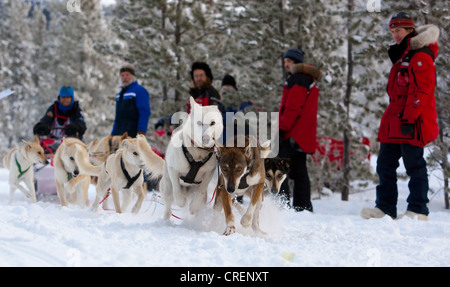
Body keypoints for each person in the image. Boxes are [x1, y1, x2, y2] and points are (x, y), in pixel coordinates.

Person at [361, 13, 439, 221]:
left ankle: (418, 209)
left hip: (412, 121)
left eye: (399, 31)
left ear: (410, 31)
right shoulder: (403, 55)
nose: (395, 35)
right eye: (392, 31)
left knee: (414, 165)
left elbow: (421, 91)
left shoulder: (420, 56)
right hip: (395, 121)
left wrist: (409, 118)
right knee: (385, 165)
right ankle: (385, 208)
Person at [278, 48, 322, 212]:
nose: (286, 64)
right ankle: (302, 206)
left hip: (293, 133)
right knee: (298, 170)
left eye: (289, 61)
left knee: (279, 167)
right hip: (302, 135)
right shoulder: (307, 79)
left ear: (297, 62)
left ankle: (281, 205)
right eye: (285, 62)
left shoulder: (298, 78)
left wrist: (282, 129)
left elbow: (293, 108)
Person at [111, 63, 151, 138]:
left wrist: (141, 132)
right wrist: (113, 134)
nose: (124, 77)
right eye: (122, 75)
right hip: (120, 136)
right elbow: (118, 118)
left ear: (132, 76)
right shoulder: (120, 95)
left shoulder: (139, 91)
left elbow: (144, 112)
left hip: (133, 135)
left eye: (127, 75)